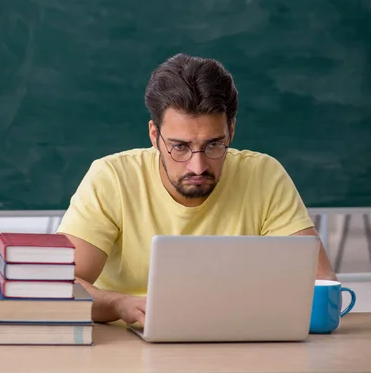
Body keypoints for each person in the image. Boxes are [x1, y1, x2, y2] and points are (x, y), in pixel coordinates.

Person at [57, 53, 337, 327]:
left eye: (214, 145)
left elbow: (321, 284)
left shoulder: (264, 175)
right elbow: (63, 285)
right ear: (154, 135)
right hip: (128, 347)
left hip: (242, 344)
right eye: (180, 147)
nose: (198, 166)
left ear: (232, 131)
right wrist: (121, 304)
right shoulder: (112, 178)